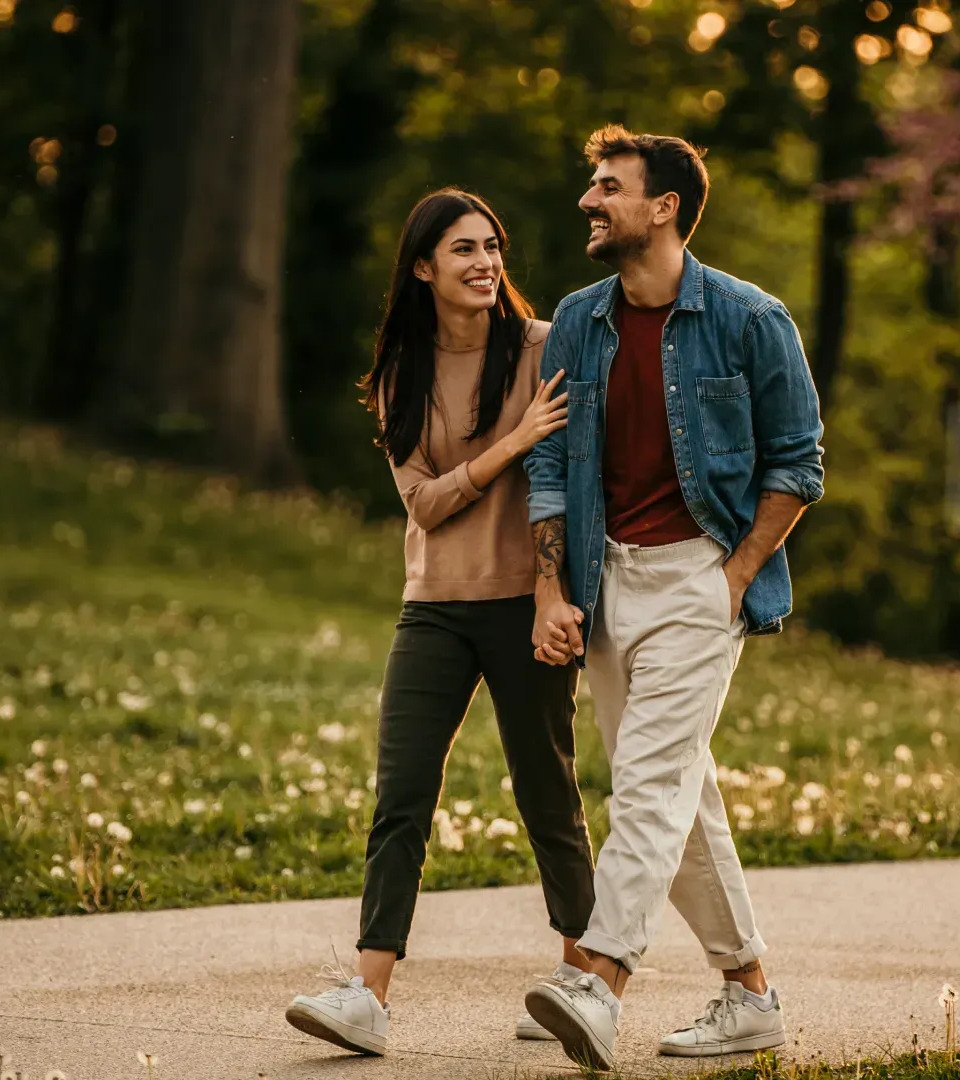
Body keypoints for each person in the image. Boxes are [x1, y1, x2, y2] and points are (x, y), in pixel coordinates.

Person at [520, 126, 825, 1070]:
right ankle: (751, 995)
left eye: (608, 187)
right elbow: (548, 462)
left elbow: (799, 464)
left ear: (663, 208)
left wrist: (732, 578)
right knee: (680, 800)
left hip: (701, 576)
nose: (588, 200)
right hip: (607, 580)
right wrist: (550, 587)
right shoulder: (579, 320)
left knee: (648, 786)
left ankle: (600, 981)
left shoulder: (750, 319)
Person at [284, 188, 597, 1057]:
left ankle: (579, 979)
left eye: (492, 246)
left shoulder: (542, 349)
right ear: (423, 267)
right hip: (433, 609)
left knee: (547, 792)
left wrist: (554, 589)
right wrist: (511, 443)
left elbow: (566, 474)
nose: (486, 263)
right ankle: (368, 995)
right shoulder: (402, 372)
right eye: (464, 249)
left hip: (526, 601)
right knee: (402, 797)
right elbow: (423, 504)